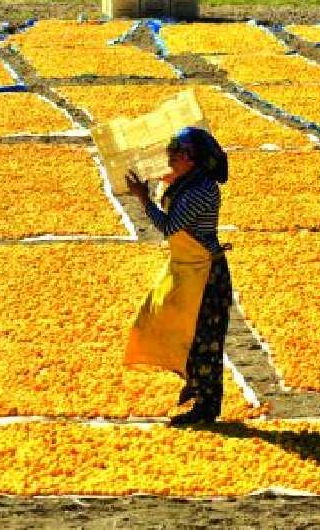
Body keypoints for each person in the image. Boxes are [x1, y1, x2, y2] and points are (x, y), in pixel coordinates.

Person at [123, 126, 232, 426]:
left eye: (176, 153)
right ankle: (194, 385)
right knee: (171, 323)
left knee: (203, 339)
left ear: (191, 159)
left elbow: (170, 226)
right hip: (187, 269)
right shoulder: (188, 183)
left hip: (206, 275)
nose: (169, 158)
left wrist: (144, 200)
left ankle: (206, 405)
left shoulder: (202, 190)